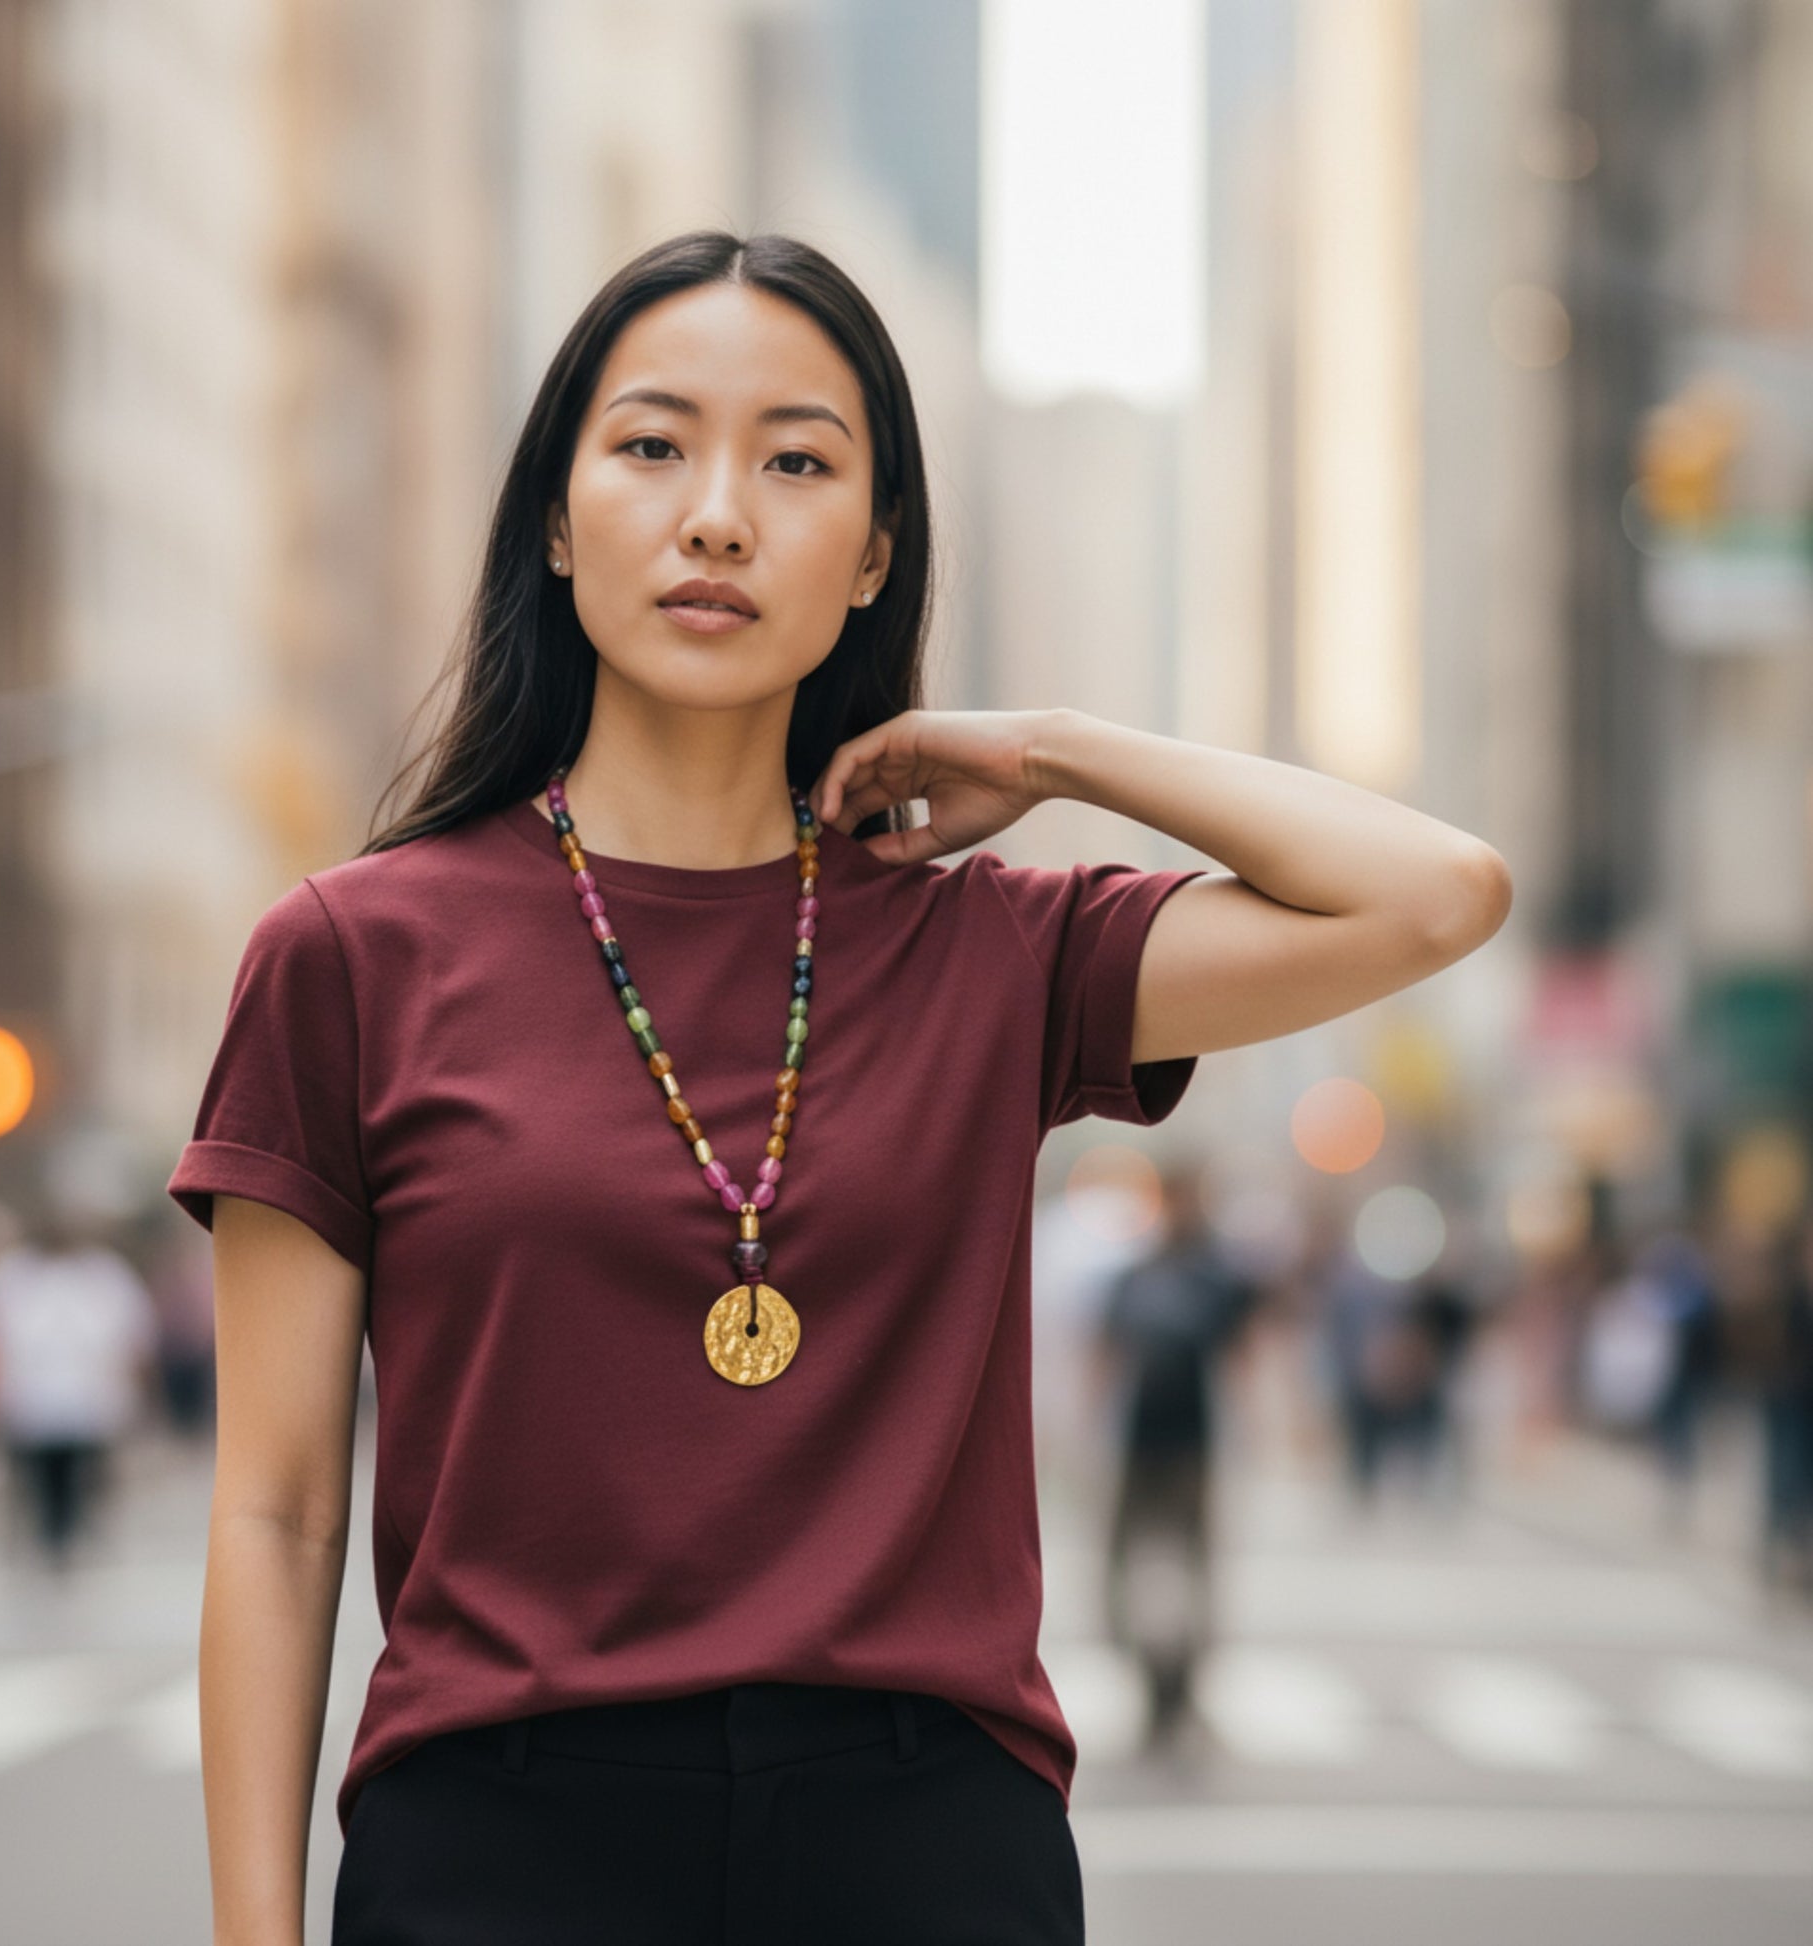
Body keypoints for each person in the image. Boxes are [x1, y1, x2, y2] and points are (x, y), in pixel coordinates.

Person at [167, 228, 1512, 1946]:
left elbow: (1437, 892)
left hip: (924, 1846)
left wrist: (1045, 750)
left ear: (875, 556)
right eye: (652, 446)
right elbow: (274, 1513)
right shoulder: (353, 956)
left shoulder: (998, 954)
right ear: (558, 520)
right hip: (504, 1850)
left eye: (796, 462)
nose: (718, 512)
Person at [1094, 1165, 1256, 1732]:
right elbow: (1105, 1354)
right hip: (1139, 1440)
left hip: (1194, 1443)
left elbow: (1244, 1358)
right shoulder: (1138, 1275)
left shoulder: (1216, 1278)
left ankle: (1180, 1680)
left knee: (1189, 1569)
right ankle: (1148, 1670)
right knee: (1127, 1566)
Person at [0, 1189, 159, 1571]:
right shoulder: (13, 1275)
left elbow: (134, 1334)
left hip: (89, 1398)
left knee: (82, 1476)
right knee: (38, 1478)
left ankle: (73, 1536)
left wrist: (139, 1390)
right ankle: (45, 1538)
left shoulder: (104, 1274)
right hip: (31, 1398)